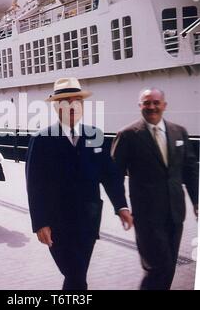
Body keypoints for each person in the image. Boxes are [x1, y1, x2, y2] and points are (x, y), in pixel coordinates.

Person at [26, 77, 133, 290]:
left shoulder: (95, 136)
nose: (72, 106)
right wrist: (40, 222)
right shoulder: (42, 139)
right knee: (75, 275)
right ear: (56, 107)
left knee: (77, 275)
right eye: (65, 102)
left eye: (77, 101)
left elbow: (110, 175)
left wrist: (120, 206)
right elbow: (35, 184)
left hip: (88, 221)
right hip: (57, 225)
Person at [111, 88, 199, 290]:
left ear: (164, 105)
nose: (152, 107)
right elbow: (114, 176)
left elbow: (191, 170)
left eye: (156, 102)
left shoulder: (179, 132)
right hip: (146, 216)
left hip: (176, 213)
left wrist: (197, 201)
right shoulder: (127, 135)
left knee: (168, 269)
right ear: (140, 106)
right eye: (147, 103)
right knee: (158, 267)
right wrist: (121, 207)